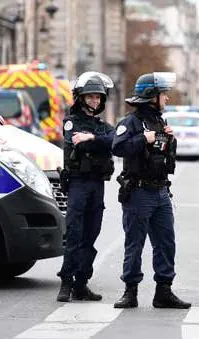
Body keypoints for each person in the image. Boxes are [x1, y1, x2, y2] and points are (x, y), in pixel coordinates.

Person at [111, 72, 190, 309]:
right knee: (135, 243)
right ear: (151, 96)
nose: (167, 98)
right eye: (163, 94)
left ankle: (163, 291)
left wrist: (169, 140)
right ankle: (130, 291)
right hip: (139, 193)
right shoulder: (130, 123)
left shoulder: (160, 122)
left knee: (166, 242)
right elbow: (118, 147)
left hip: (161, 192)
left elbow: (163, 156)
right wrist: (142, 140)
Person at [57, 72, 115, 302]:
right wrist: (96, 142)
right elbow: (74, 143)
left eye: (98, 98)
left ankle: (81, 284)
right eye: (90, 97)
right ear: (81, 98)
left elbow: (115, 142)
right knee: (74, 235)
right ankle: (66, 283)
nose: (94, 101)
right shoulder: (72, 121)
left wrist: (91, 139)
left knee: (91, 235)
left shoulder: (101, 125)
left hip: (97, 184)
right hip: (79, 184)